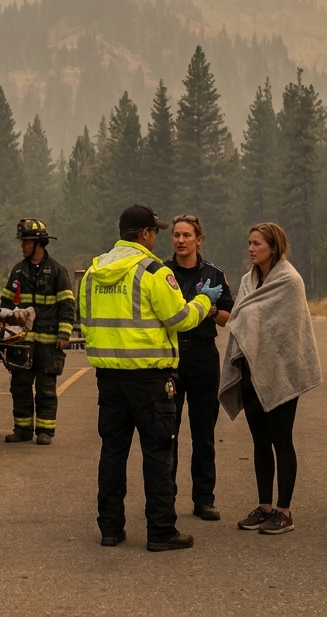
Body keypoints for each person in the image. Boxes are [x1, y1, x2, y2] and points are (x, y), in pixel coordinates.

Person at [81, 204, 222, 552]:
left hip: (108, 378)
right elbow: (180, 318)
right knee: (158, 454)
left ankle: (110, 528)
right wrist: (204, 302)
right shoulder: (153, 271)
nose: (158, 238)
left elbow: (85, 320)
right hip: (149, 379)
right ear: (144, 234)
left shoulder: (94, 272)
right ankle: (160, 530)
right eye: (156, 232)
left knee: (112, 452)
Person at [220, 223, 322, 536]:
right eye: (249, 243)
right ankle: (264, 507)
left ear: (273, 247)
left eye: (257, 244)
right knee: (260, 442)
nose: (251, 249)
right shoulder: (247, 281)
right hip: (250, 370)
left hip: (281, 372)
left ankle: (284, 512)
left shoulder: (290, 280)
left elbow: (291, 332)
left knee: (282, 440)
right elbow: (240, 321)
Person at [163, 214, 233, 521]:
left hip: (203, 356)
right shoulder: (162, 273)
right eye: (176, 235)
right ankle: (166, 497)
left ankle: (204, 499)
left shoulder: (213, 274)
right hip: (172, 356)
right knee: (168, 433)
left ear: (199, 239)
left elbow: (228, 317)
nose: (180, 240)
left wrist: (211, 308)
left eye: (187, 235)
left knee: (203, 433)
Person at [0, 219, 76, 445]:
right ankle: (22, 430)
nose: (22, 246)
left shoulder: (57, 271)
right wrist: (12, 317)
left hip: (48, 343)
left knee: (46, 390)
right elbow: (5, 303)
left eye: (26, 241)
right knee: (20, 388)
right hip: (21, 342)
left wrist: (63, 335)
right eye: (22, 241)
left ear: (39, 243)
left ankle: (45, 431)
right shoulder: (17, 271)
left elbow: (67, 306)